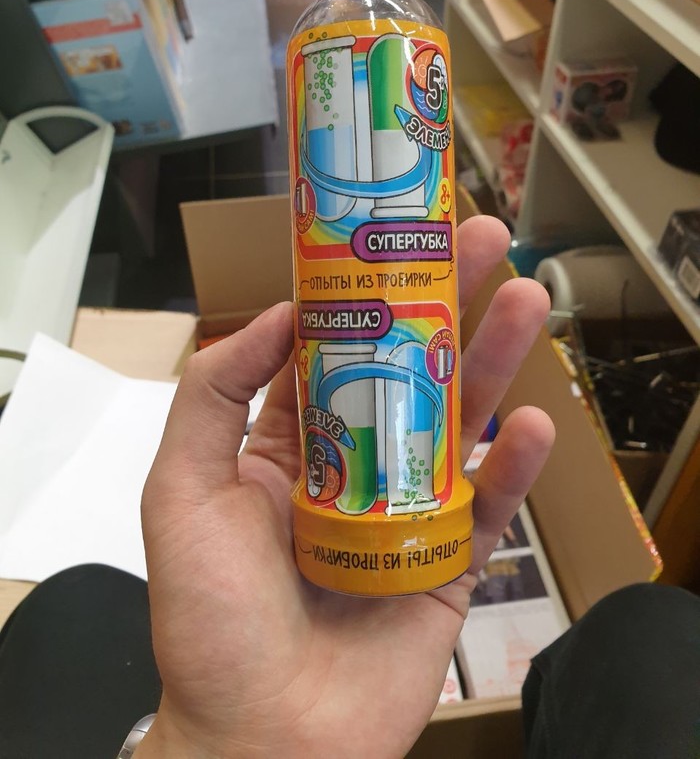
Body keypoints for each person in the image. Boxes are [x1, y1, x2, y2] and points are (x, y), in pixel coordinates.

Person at [0, 215, 697, 759]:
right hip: (337, 526)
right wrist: (224, 739)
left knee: (77, 597)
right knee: (646, 624)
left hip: (399, 518)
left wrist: (211, 745)